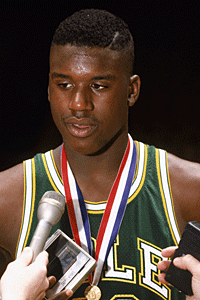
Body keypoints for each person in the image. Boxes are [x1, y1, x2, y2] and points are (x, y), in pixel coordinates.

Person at [0, 8, 200, 300]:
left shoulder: (190, 191)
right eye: (64, 85)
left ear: (131, 91)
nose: (79, 104)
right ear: (48, 88)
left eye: (98, 86)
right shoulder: (7, 199)